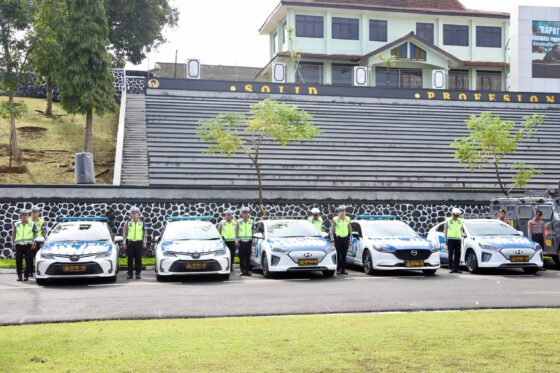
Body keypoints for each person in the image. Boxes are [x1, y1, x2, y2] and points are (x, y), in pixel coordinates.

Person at [122, 207, 147, 280]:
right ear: (130, 214)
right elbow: (124, 233)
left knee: (138, 259)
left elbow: (144, 234)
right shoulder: (128, 222)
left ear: (139, 214)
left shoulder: (142, 223)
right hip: (130, 243)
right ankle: (130, 274)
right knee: (130, 259)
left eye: (136, 213)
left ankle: (138, 273)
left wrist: (144, 242)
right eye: (132, 213)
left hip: (139, 243)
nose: (134, 215)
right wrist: (124, 243)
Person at [12, 209, 36, 282]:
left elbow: (35, 235)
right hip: (19, 246)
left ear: (28, 216)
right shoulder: (16, 224)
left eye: (26, 215)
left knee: (28, 261)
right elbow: (13, 235)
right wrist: (13, 245)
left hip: (28, 246)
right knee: (18, 262)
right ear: (21, 216)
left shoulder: (32, 224)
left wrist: (34, 244)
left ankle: (26, 276)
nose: (24, 217)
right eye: (23, 215)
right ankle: (19, 276)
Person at [330, 205, 352, 275]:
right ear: (338, 212)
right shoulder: (335, 219)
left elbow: (350, 230)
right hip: (338, 238)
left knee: (344, 255)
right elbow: (332, 230)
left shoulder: (348, 219)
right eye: (341, 211)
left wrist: (350, 240)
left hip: (345, 238)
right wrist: (332, 240)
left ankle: (343, 269)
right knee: (338, 254)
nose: (343, 213)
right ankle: (338, 269)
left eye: (344, 211)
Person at [235, 207, 254, 277]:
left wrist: (253, 241)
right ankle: (242, 271)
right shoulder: (238, 222)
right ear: (242, 214)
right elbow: (236, 232)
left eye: (246, 213)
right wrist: (236, 241)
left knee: (248, 257)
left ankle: (247, 271)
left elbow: (253, 232)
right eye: (244, 213)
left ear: (248, 214)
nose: (245, 214)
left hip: (249, 242)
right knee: (241, 257)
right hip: (241, 242)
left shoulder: (251, 221)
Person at [444, 208, 464, 274]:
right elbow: (445, 231)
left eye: (457, 215)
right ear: (452, 214)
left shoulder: (461, 221)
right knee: (450, 254)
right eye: (455, 215)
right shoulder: (448, 220)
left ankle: (456, 268)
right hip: (450, 239)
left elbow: (461, 230)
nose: (456, 217)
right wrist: (446, 239)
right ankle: (451, 268)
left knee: (458, 254)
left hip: (458, 239)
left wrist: (463, 235)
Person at [30, 206, 47, 277]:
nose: (34, 213)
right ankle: (30, 271)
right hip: (30, 241)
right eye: (33, 212)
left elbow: (44, 231)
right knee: (29, 257)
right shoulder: (29, 220)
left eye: (36, 212)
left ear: (39, 213)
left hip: (39, 241)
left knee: (38, 256)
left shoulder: (42, 221)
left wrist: (44, 240)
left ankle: (38, 271)